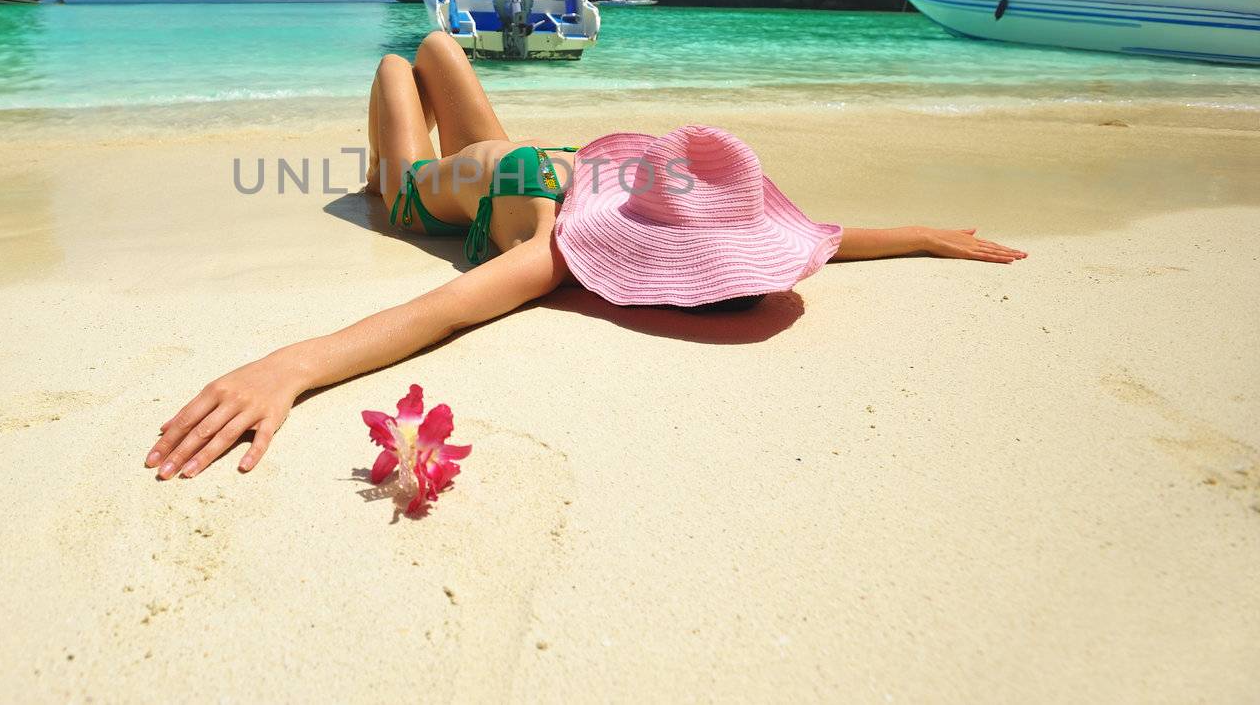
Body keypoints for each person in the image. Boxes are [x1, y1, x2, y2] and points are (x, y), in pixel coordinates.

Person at [145, 33, 1026, 480]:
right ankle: (421, 99)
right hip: (507, 156)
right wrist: (919, 234)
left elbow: (431, 315)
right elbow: (795, 227)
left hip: (424, 189)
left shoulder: (555, 253)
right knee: (440, 47)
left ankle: (378, 180)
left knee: (392, 67)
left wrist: (286, 367)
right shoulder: (651, 184)